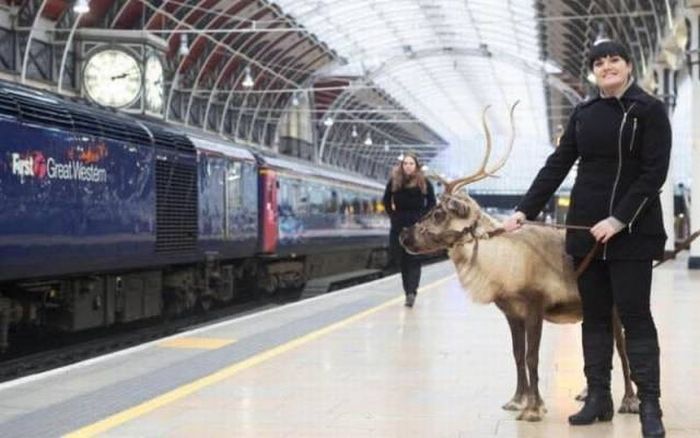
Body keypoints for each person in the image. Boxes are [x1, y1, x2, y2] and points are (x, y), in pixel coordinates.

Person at [503, 40, 670, 438]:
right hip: (585, 231)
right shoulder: (584, 114)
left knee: (635, 316)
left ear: (628, 66)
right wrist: (524, 210)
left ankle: (649, 404)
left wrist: (618, 219)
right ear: (593, 71)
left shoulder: (649, 110)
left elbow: (654, 173)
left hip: (632, 232)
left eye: (614, 59)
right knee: (594, 317)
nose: (607, 66)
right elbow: (557, 165)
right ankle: (598, 397)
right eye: (599, 61)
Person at [382, 152, 436, 307]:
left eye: (411, 163)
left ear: (416, 166)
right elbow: (386, 200)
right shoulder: (394, 182)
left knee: (414, 259)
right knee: (403, 260)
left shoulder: (424, 182)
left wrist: (423, 219)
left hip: (416, 226)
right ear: (401, 165)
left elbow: (432, 203)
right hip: (399, 225)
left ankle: (412, 292)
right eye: (405, 163)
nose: (408, 166)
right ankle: (408, 291)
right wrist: (393, 215)